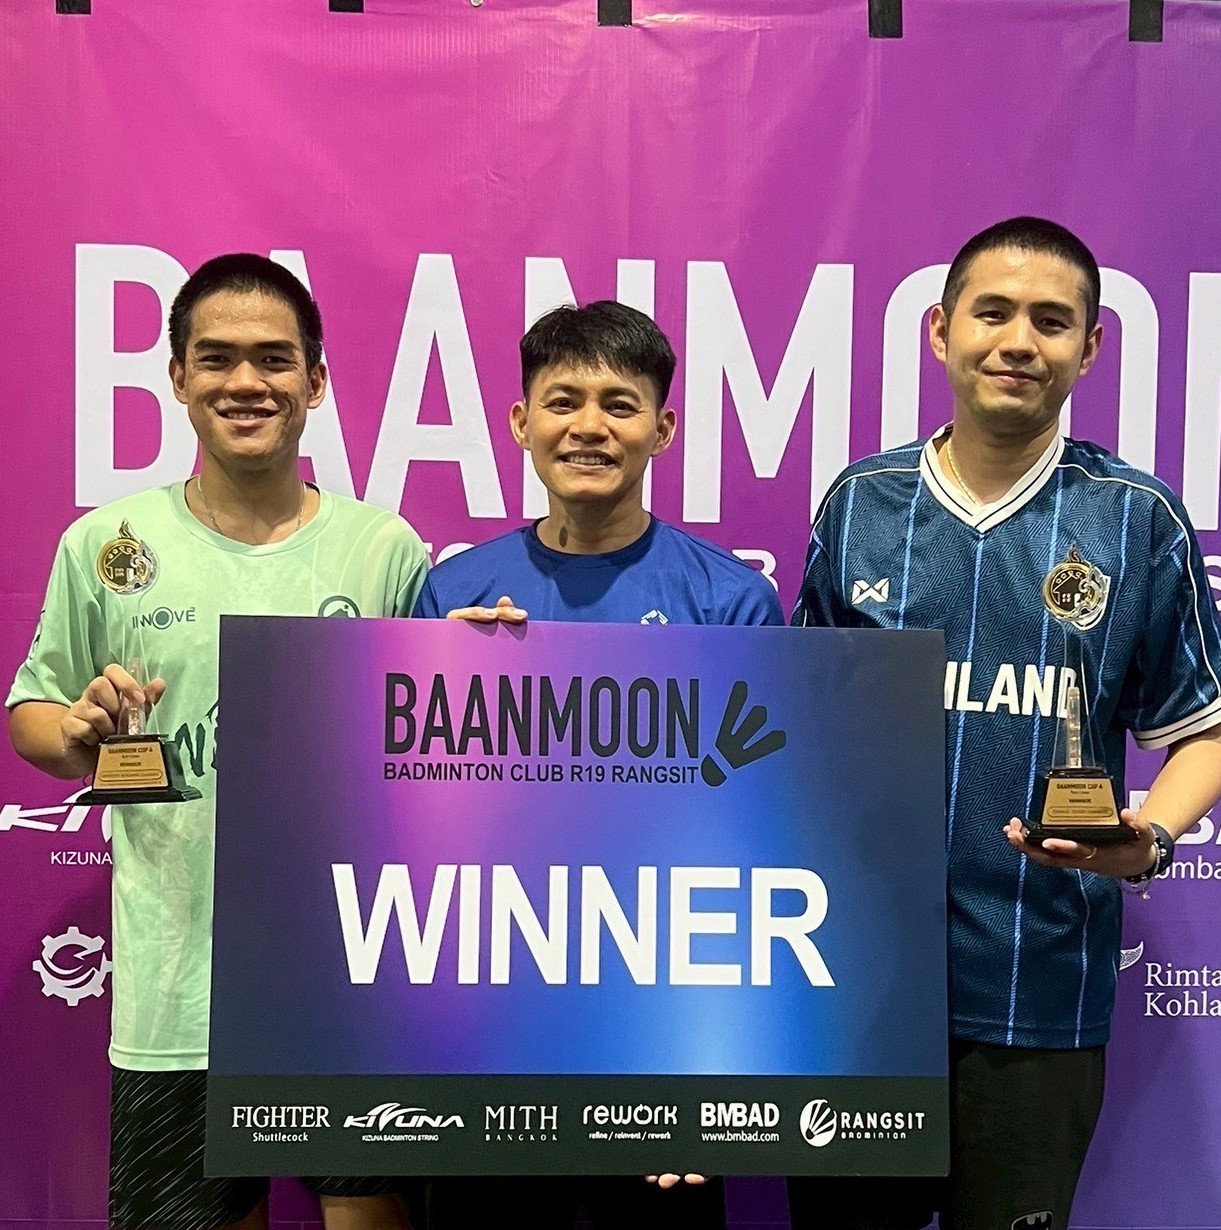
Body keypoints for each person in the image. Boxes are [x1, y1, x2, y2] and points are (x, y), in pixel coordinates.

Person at [789, 217, 1221, 1230]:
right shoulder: (860, 503)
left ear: (1089, 346)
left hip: (1038, 984)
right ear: (939, 330)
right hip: (850, 985)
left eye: (1050, 320)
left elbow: (1205, 732)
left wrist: (1148, 839)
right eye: (991, 313)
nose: (1017, 342)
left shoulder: (1134, 516)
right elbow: (798, 732)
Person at [8, 254, 430, 1230]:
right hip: (175, 997)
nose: (246, 382)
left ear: (315, 382)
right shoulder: (106, 543)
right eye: (217, 358)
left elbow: (437, 757)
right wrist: (77, 734)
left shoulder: (385, 549)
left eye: (274, 359)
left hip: (347, 989)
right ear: (177, 377)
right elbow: (33, 713)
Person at [414, 300, 783, 1230]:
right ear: (519, 422)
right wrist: (442, 680)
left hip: (659, 1050)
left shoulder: (732, 602)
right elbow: (413, 835)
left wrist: (706, 1081)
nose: (589, 426)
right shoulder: (452, 594)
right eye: (562, 401)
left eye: (620, 405)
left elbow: (758, 857)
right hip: (489, 1047)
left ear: (663, 428)